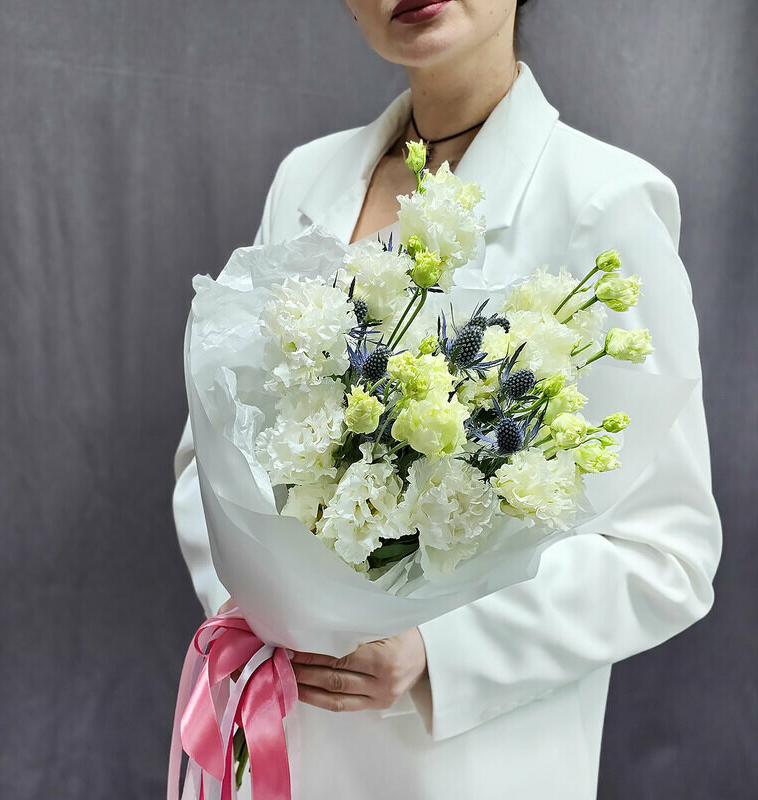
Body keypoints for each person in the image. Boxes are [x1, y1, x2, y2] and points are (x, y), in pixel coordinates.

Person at [172, 1, 722, 797]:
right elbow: (214, 444)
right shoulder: (307, 177)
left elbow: (667, 550)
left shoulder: (601, 198)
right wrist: (260, 601)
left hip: (463, 762)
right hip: (282, 714)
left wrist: (438, 649)